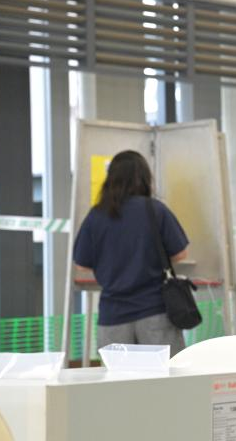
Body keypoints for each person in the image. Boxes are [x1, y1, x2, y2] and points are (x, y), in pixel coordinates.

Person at [73, 150, 190, 354]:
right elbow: (180, 254)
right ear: (144, 178)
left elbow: (81, 264)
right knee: (164, 372)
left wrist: (109, 268)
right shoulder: (155, 210)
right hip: (154, 310)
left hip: (112, 315)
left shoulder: (97, 215)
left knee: (117, 374)